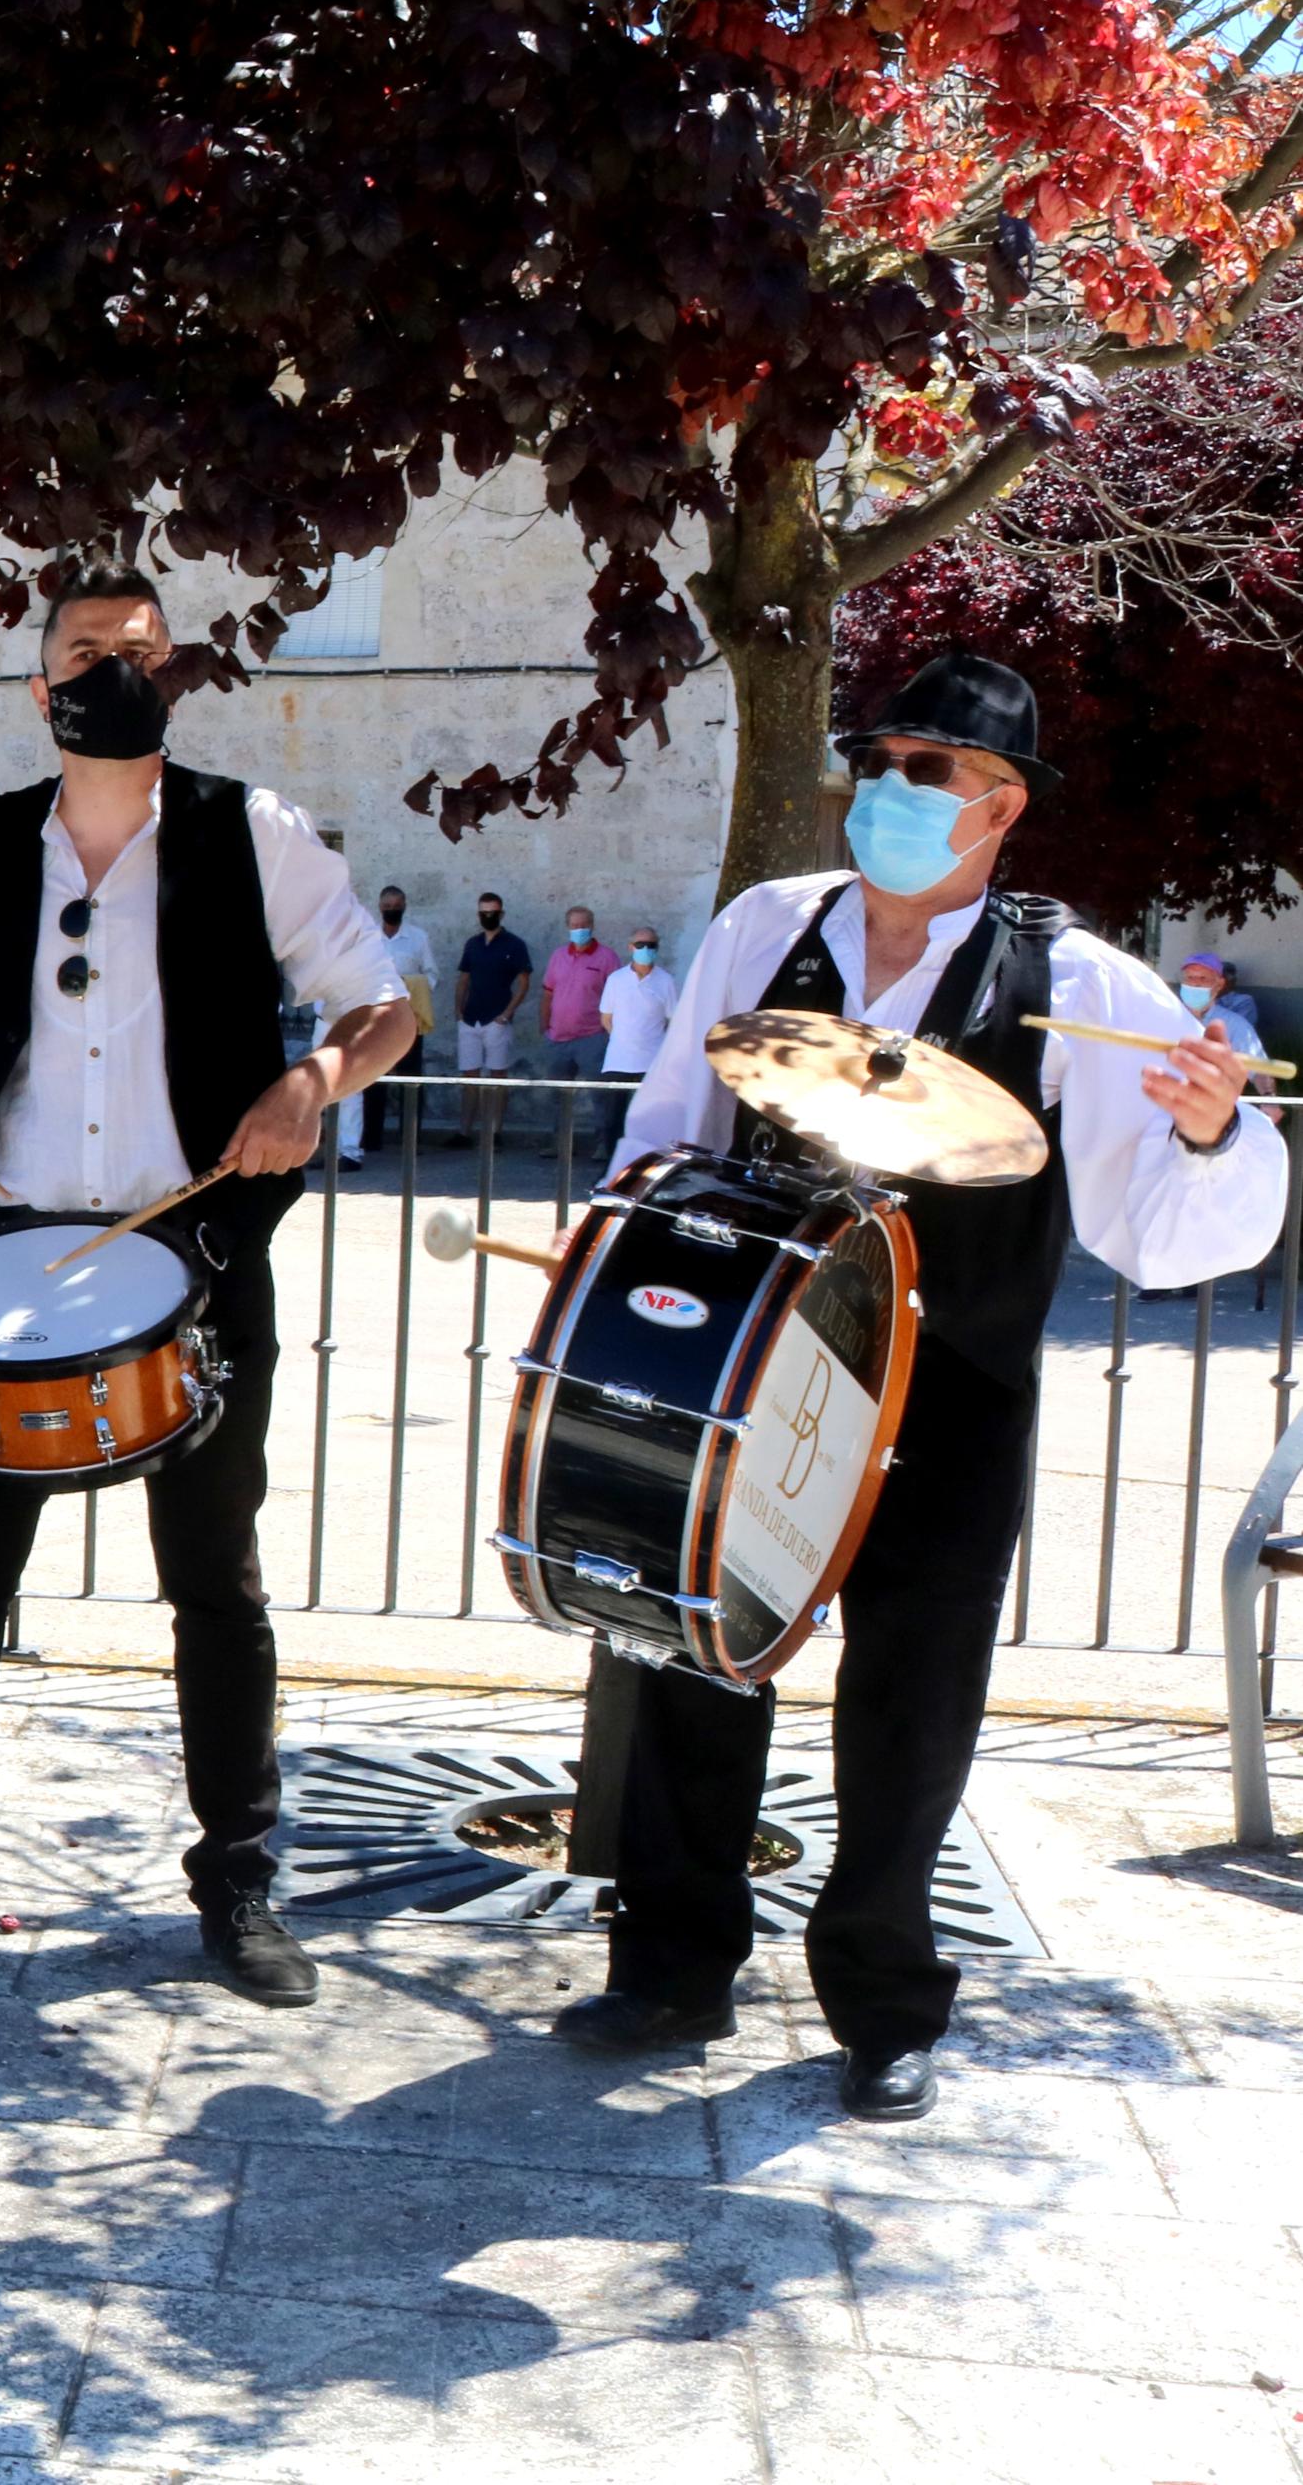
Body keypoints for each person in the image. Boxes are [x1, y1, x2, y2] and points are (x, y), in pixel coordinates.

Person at [568, 653, 1283, 2121]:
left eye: (927, 771)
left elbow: (1151, 1227)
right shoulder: (767, 928)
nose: (887, 793)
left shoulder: (1075, 982)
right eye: (876, 761)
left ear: (1000, 803)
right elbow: (667, 1121)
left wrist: (1212, 1132)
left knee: (909, 1695)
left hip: (948, 1386)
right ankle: (669, 1962)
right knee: (698, 1650)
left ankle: (883, 2001)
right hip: (755, 1365)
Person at [0, 567, 411, 2001]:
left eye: (136, 652)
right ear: (36, 683)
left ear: (169, 674)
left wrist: (311, 1078)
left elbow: (382, 1005)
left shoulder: (253, 829)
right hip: (19, 1245)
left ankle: (240, 1885)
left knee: (212, 1581)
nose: (109, 669)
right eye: (81, 651)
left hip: (197, 1242)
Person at [363, 885, 438, 1155]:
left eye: (398, 905)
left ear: (405, 905)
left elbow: (432, 976)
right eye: (388, 907)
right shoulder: (368, 937)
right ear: (380, 908)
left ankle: (411, 1139)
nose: (393, 910)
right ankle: (371, 1138)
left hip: (409, 1019)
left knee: (410, 1079)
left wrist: (412, 986)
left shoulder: (418, 938)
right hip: (376, 1021)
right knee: (373, 1079)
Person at [453, 890, 532, 1135]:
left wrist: (507, 1013)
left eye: (492, 912)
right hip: (470, 1019)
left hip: (497, 1018)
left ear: (501, 914)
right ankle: (464, 1131)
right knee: (469, 1078)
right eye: (483, 912)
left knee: (498, 1078)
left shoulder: (515, 944)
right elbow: (463, 979)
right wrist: (458, 1011)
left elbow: (524, 983)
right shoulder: (472, 944)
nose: (488, 916)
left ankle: (494, 1133)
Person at [541, 905, 621, 1082]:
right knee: (555, 1094)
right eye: (574, 926)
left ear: (592, 926)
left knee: (599, 1094)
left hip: (592, 1038)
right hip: (557, 1039)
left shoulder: (608, 957)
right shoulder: (558, 956)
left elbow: (618, 999)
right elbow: (548, 994)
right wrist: (544, 1028)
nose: (579, 929)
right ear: (568, 927)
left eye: (583, 925)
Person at [597, 924, 680, 1084]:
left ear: (657, 948)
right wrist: (623, 1039)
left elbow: (673, 1020)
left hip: (652, 1062)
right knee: (613, 1108)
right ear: (631, 947)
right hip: (618, 1060)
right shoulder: (615, 979)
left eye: (651, 945)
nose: (645, 949)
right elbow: (606, 1018)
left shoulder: (666, 981)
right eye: (640, 945)